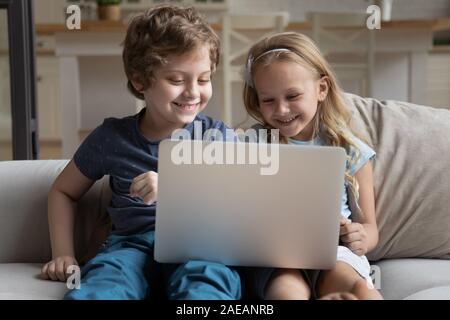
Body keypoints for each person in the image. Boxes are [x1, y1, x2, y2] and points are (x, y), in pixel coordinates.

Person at [40, 4, 242, 300]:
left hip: (199, 246)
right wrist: (63, 255)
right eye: (176, 80)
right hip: (129, 246)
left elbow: (238, 204)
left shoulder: (219, 138)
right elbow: (63, 191)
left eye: (203, 78)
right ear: (139, 80)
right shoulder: (111, 138)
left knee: (207, 286)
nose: (193, 92)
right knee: (104, 286)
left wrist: (175, 189)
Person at [242, 32, 383, 300]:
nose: (282, 110)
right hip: (278, 255)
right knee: (288, 292)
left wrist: (361, 236)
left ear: (322, 89)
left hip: (334, 249)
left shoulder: (350, 150)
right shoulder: (253, 144)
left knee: (360, 291)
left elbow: (370, 226)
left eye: (292, 95)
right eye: (268, 100)